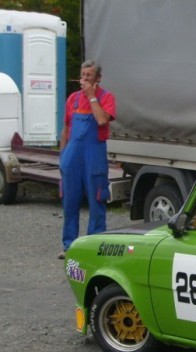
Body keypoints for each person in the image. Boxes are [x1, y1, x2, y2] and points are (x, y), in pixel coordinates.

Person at [58, 59, 116, 259]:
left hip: (94, 156)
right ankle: (69, 247)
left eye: (88, 76)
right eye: (82, 75)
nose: (84, 79)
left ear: (98, 78)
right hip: (72, 158)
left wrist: (92, 97)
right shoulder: (72, 99)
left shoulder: (106, 98)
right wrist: (63, 157)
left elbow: (101, 120)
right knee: (70, 203)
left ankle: (94, 248)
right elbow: (66, 129)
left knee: (97, 200)